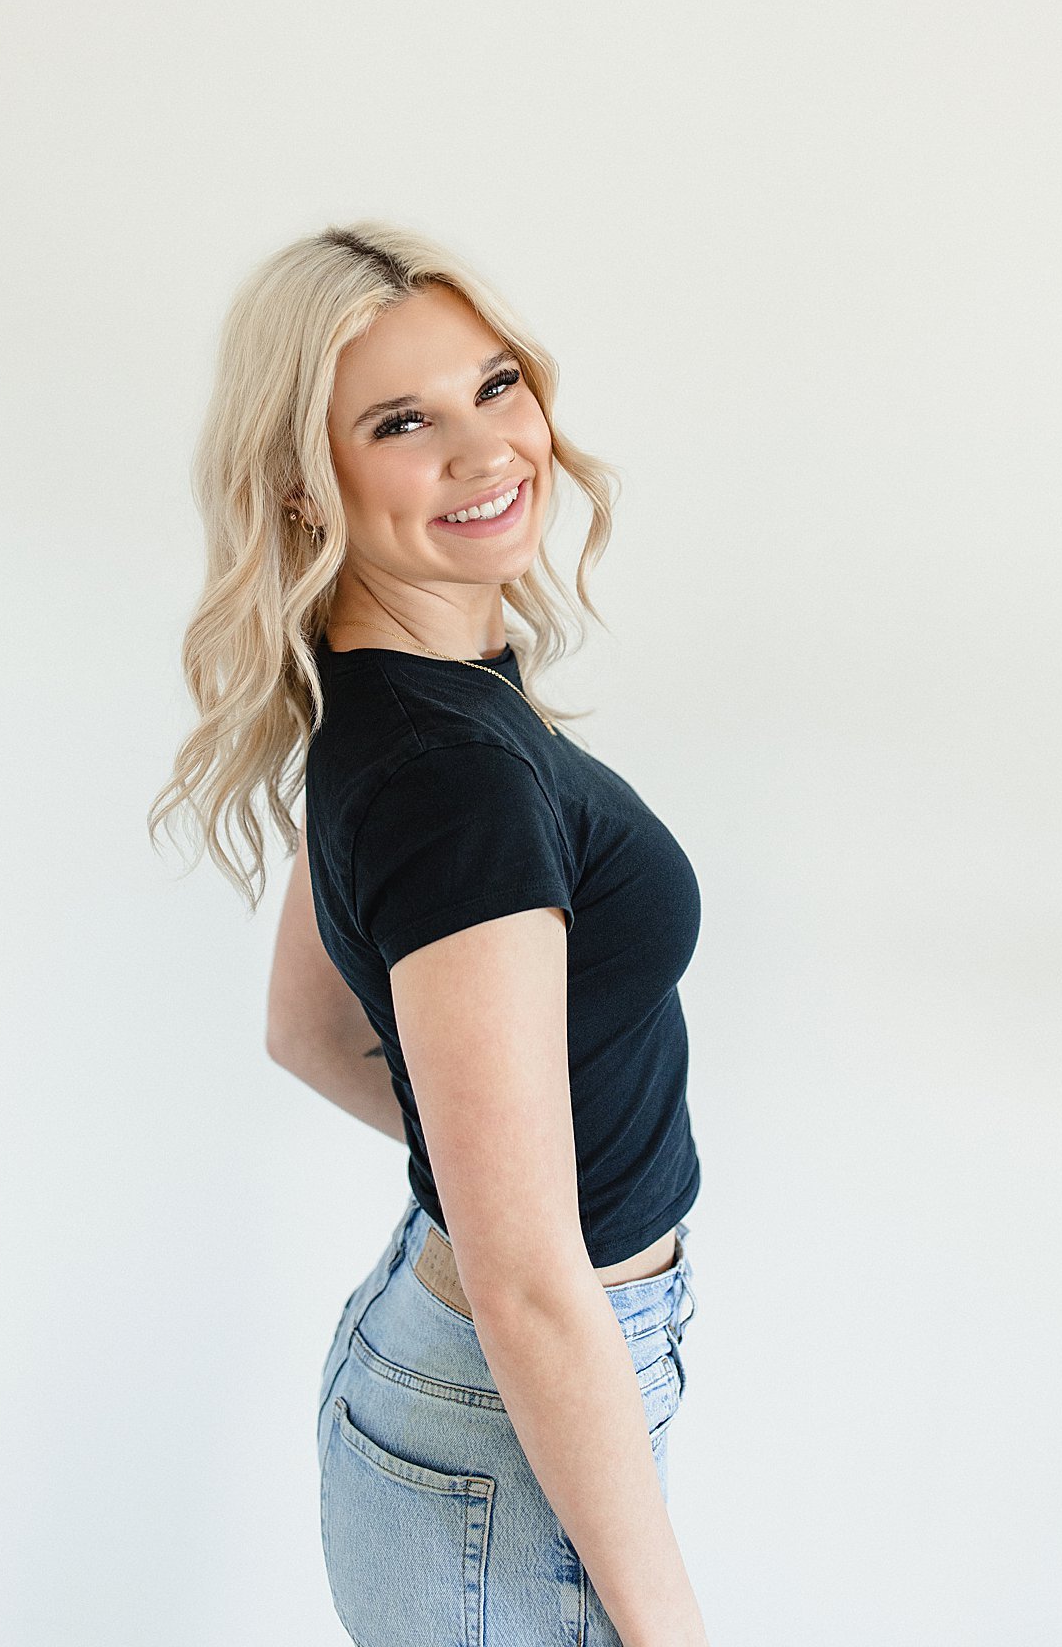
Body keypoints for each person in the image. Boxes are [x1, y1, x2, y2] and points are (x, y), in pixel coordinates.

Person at [149, 221, 707, 1646]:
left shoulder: (405, 689)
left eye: (496, 386)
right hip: (508, 1414)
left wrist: (505, 1162)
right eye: (402, 423)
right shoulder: (451, 778)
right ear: (303, 480)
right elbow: (525, 1283)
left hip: (474, 1385)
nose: (484, 450)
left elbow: (307, 1030)